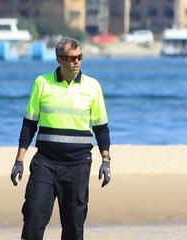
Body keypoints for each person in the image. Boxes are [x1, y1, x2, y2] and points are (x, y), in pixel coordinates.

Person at [11, 37, 112, 240]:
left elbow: (101, 128)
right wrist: (19, 161)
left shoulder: (92, 87)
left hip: (78, 165)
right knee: (33, 216)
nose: (76, 62)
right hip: (45, 163)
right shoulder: (42, 83)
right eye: (71, 58)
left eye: (80, 57)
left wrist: (106, 161)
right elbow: (29, 125)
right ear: (59, 59)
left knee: (74, 227)